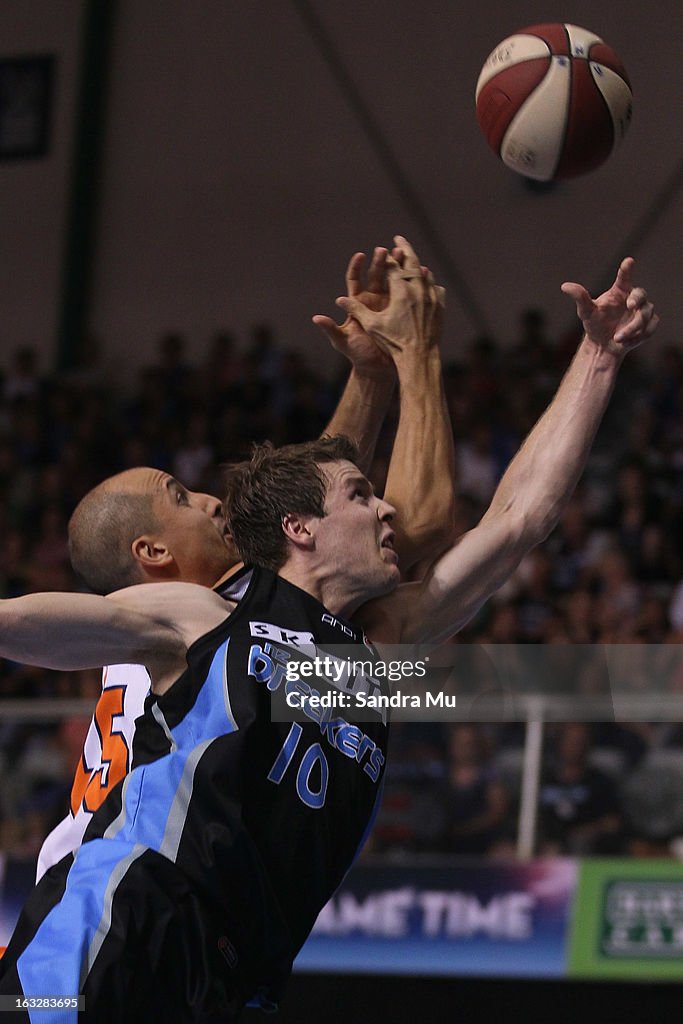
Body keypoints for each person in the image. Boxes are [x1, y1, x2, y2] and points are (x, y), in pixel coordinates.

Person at [0, 245, 657, 1021]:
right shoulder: (204, 612)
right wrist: (407, 360)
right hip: (117, 925)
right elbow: (21, 625)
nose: (386, 511)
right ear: (299, 529)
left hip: (234, 976)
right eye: (361, 495)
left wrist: (598, 357)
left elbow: (516, 523)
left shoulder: (365, 658)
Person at [36, 239, 456, 882]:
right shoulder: (216, 614)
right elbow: (409, 522)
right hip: (109, 911)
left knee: (34, 995)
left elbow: (318, 490)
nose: (209, 501)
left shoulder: (171, 627)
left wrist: (369, 375)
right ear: (152, 553)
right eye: (181, 498)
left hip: (77, 901)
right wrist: (417, 354)